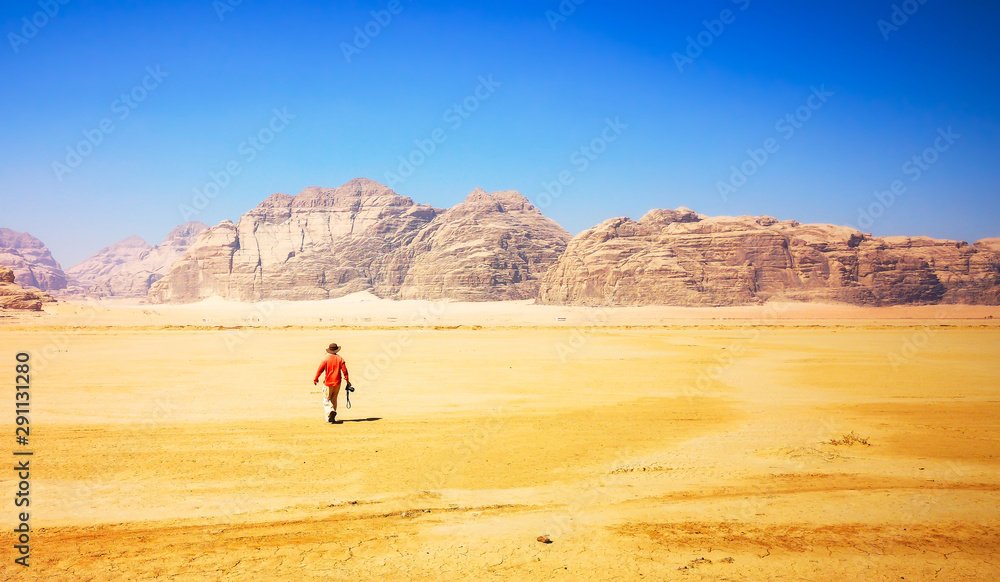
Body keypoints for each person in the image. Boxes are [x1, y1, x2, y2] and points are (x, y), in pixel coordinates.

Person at [314, 343, 351, 424]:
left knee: (326, 400)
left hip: (328, 383)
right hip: (337, 382)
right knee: (334, 399)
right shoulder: (340, 359)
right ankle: (330, 418)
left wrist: (316, 378)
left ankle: (331, 411)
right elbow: (345, 370)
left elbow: (320, 370)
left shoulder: (326, 359)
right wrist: (347, 380)